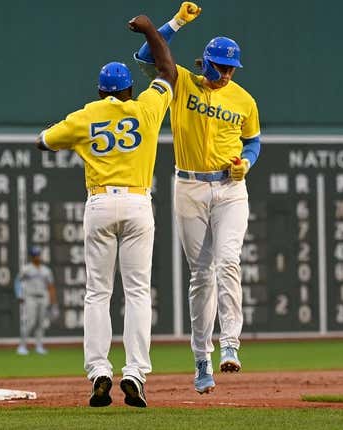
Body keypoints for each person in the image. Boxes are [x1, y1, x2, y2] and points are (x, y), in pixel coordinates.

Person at [33, 15, 177, 408]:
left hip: (99, 203)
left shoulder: (86, 116)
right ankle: (135, 373)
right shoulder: (146, 108)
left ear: (100, 92)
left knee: (97, 293)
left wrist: (80, 134)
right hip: (136, 202)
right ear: (130, 89)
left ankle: (99, 371)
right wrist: (152, 30)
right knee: (137, 293)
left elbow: (42, 142)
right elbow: (167, 71)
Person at [133, 2, 262, 394]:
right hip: (189, 186)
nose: (225, 74)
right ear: (204, 62)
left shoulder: (243, 99)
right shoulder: (183, 81)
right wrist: (174, 23)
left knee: (228, 261)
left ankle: (231, 345)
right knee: (201, 275)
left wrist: (247, 164)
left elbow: (253, 141)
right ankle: (201, 359)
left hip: (229, 188)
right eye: (220, 66)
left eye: (230, 68)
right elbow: (144, 58)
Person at [14, 246, 59, 355]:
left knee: (40, 323)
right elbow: (17, 281)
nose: (37, 257)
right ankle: (22, 346)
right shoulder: (26, 269)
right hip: (31, 297)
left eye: (38, 255)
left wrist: (53, 302)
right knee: (30, 322)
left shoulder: (46, 270)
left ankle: (39, 346)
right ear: (31, 257)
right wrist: (19, 294)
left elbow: (51, 286)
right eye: (35, 255)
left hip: (43, 297)